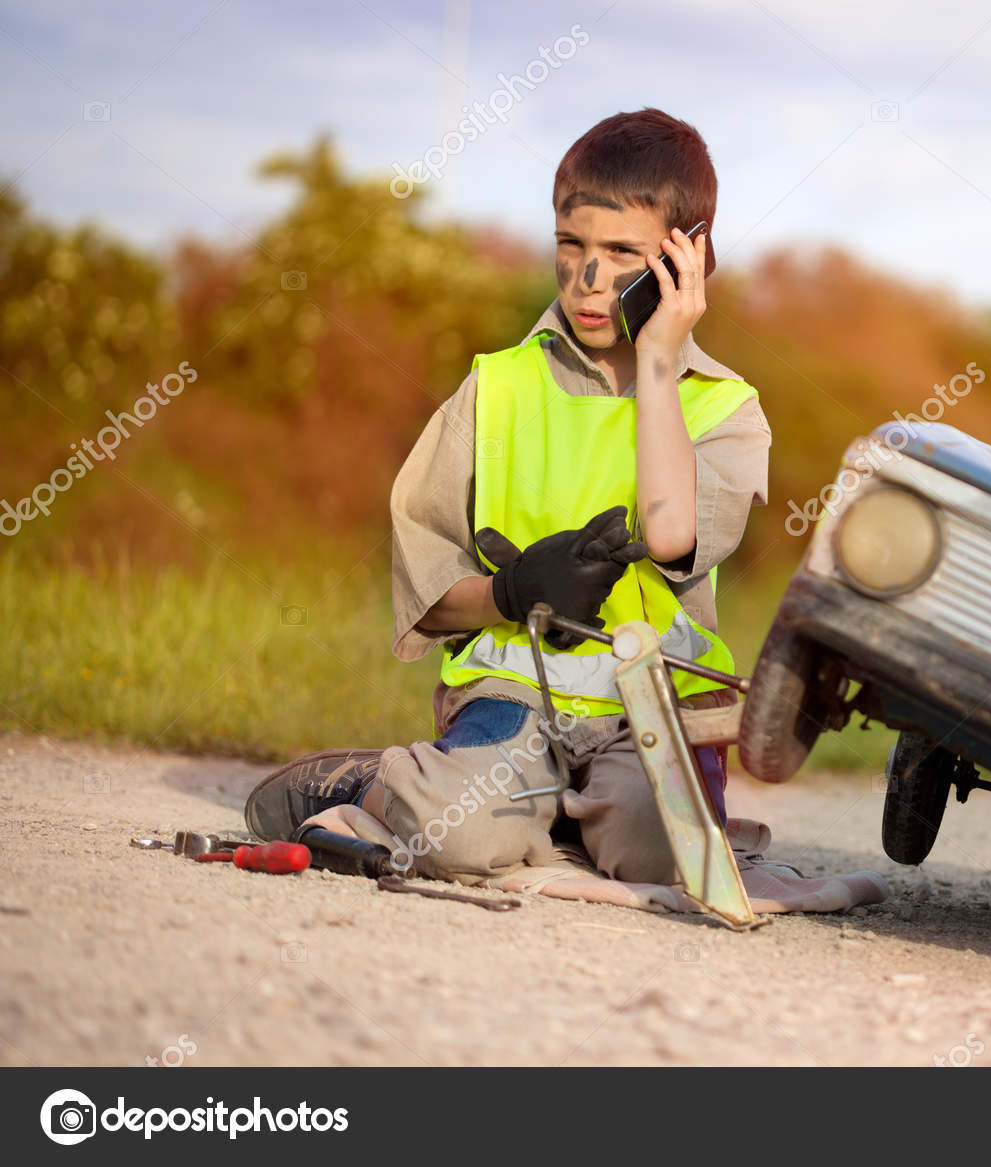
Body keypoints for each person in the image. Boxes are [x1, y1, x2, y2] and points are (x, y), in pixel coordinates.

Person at [244, 108, 885, 914]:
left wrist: (657, 356)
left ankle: (563, 812)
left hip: (649, 707)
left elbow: (669, 534)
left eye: (622, 255)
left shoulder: (726, 410)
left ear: (688, 260)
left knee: (663, 856)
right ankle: (374, 781)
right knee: (456, 837)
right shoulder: (496, 387)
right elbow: (430, 593)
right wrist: (511, 594)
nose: (588, 279)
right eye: (571, 247)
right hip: (512, 696)